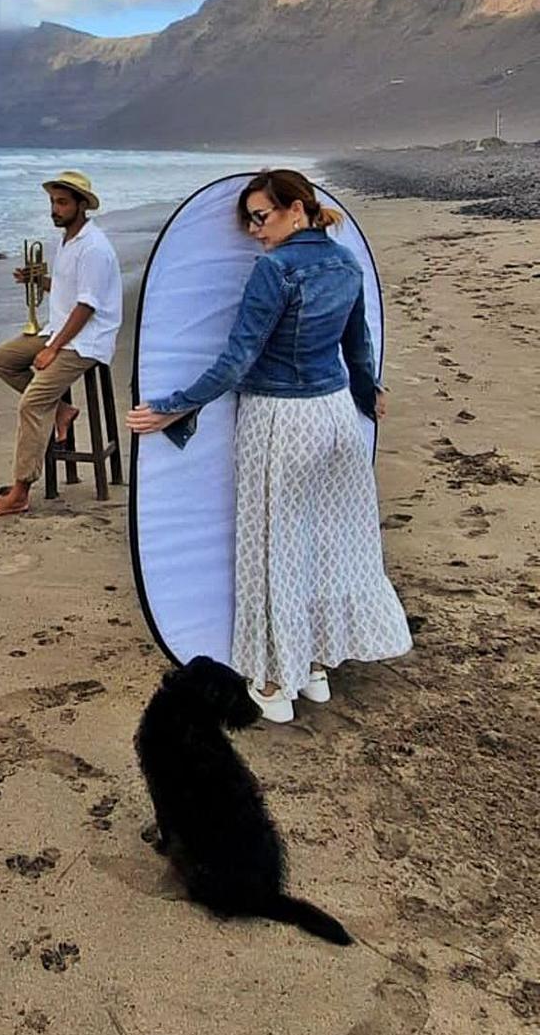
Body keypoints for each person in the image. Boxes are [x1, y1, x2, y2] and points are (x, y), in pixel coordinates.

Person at [128, 169, 411, 723]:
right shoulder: (346, 263)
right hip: (333, 419)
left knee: (275, 549)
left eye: (261, 217)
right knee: (326, 544)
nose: (256, 231)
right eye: (250, 221)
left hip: (280, 419)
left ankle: (275, 681)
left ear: (297, 210)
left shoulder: (274, 271)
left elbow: (238, 360)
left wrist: (178, 404)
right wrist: (366, 392)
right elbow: (359, 345)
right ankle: (316, 668)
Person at [0, 169, 122, 518]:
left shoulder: (93, 248)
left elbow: (87, 306)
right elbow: (67, 293)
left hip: (86, 341)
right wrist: (39, 280)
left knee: (31, 404)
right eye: (52, 202)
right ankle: (60, 410)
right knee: (1, 359)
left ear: (81, 205)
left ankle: (20, 491)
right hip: (58, 329)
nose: (55, 209)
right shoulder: (68, 240)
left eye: (61, 203)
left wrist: (53, 348)